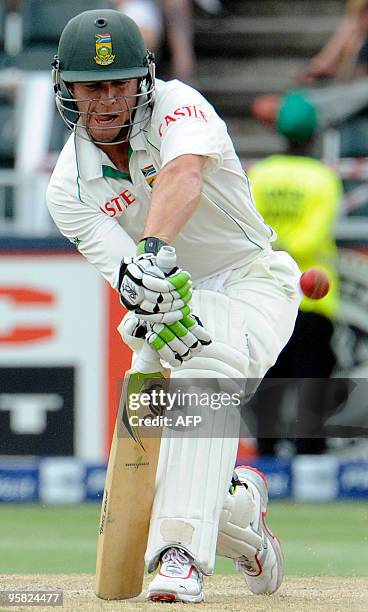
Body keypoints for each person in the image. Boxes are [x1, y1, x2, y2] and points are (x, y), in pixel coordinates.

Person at [47, 9, 301, 603]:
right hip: (174, 293)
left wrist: (154, 253)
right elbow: (127, 277)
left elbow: (183, 175)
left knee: (203, 367)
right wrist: (148, 294)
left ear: (144, 79)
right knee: (177, 450)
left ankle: (182, 555)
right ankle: (242, 517)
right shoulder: (68, 187)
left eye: (119, 83)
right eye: (92, 86)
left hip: (253, 281)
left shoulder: (180, 105)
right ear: (68, 89)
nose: (107, 99)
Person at [248, 101, 342, 455]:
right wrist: (291, 247)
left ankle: (267, 459)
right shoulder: (323, 177)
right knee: (312, 384)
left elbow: (252, 230)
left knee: (269, 379)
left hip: (268, 293)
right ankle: (310, 458)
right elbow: (314, 237)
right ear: (314, 134)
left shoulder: (261, 173)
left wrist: (275, 246)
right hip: (313, 296)